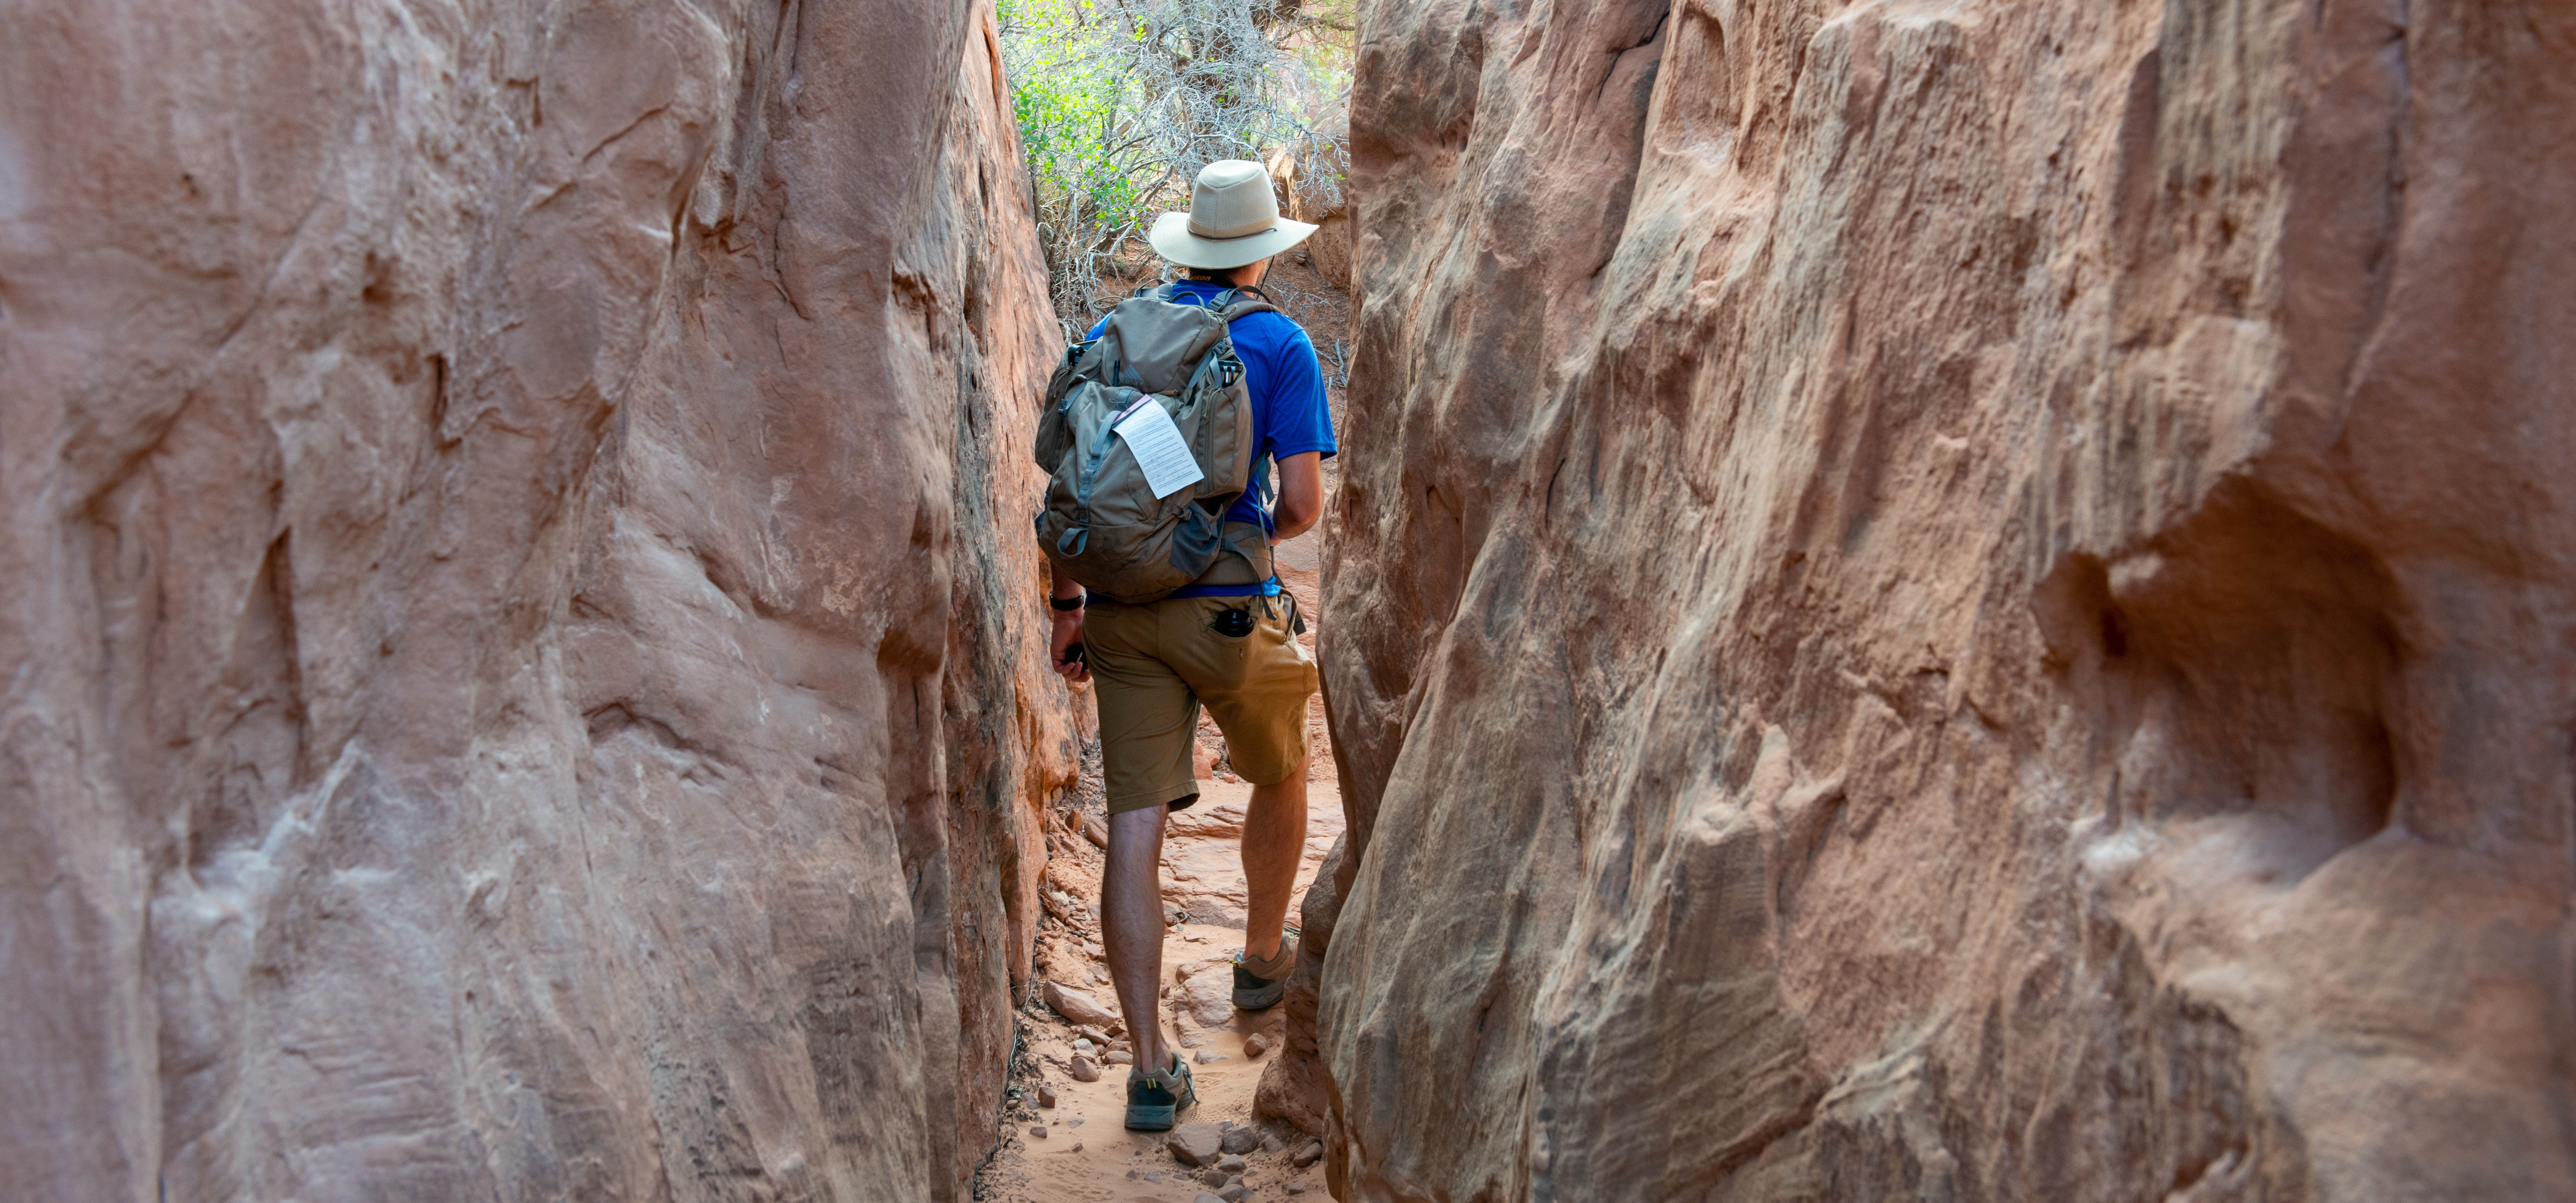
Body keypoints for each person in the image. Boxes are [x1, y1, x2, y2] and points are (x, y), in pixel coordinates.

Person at [1043, 159, 1333, 1131]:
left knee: (1134, 823)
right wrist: (1229, 538)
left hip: (1119, 615)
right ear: (1260, 253)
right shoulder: (1282, 345)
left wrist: (1069, 607)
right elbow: (1299, 505)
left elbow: (1077, 485)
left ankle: (1150, 1068)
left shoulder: (1115, 333)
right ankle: (1259, 964)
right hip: (1230, 613)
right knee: (1282, 768)